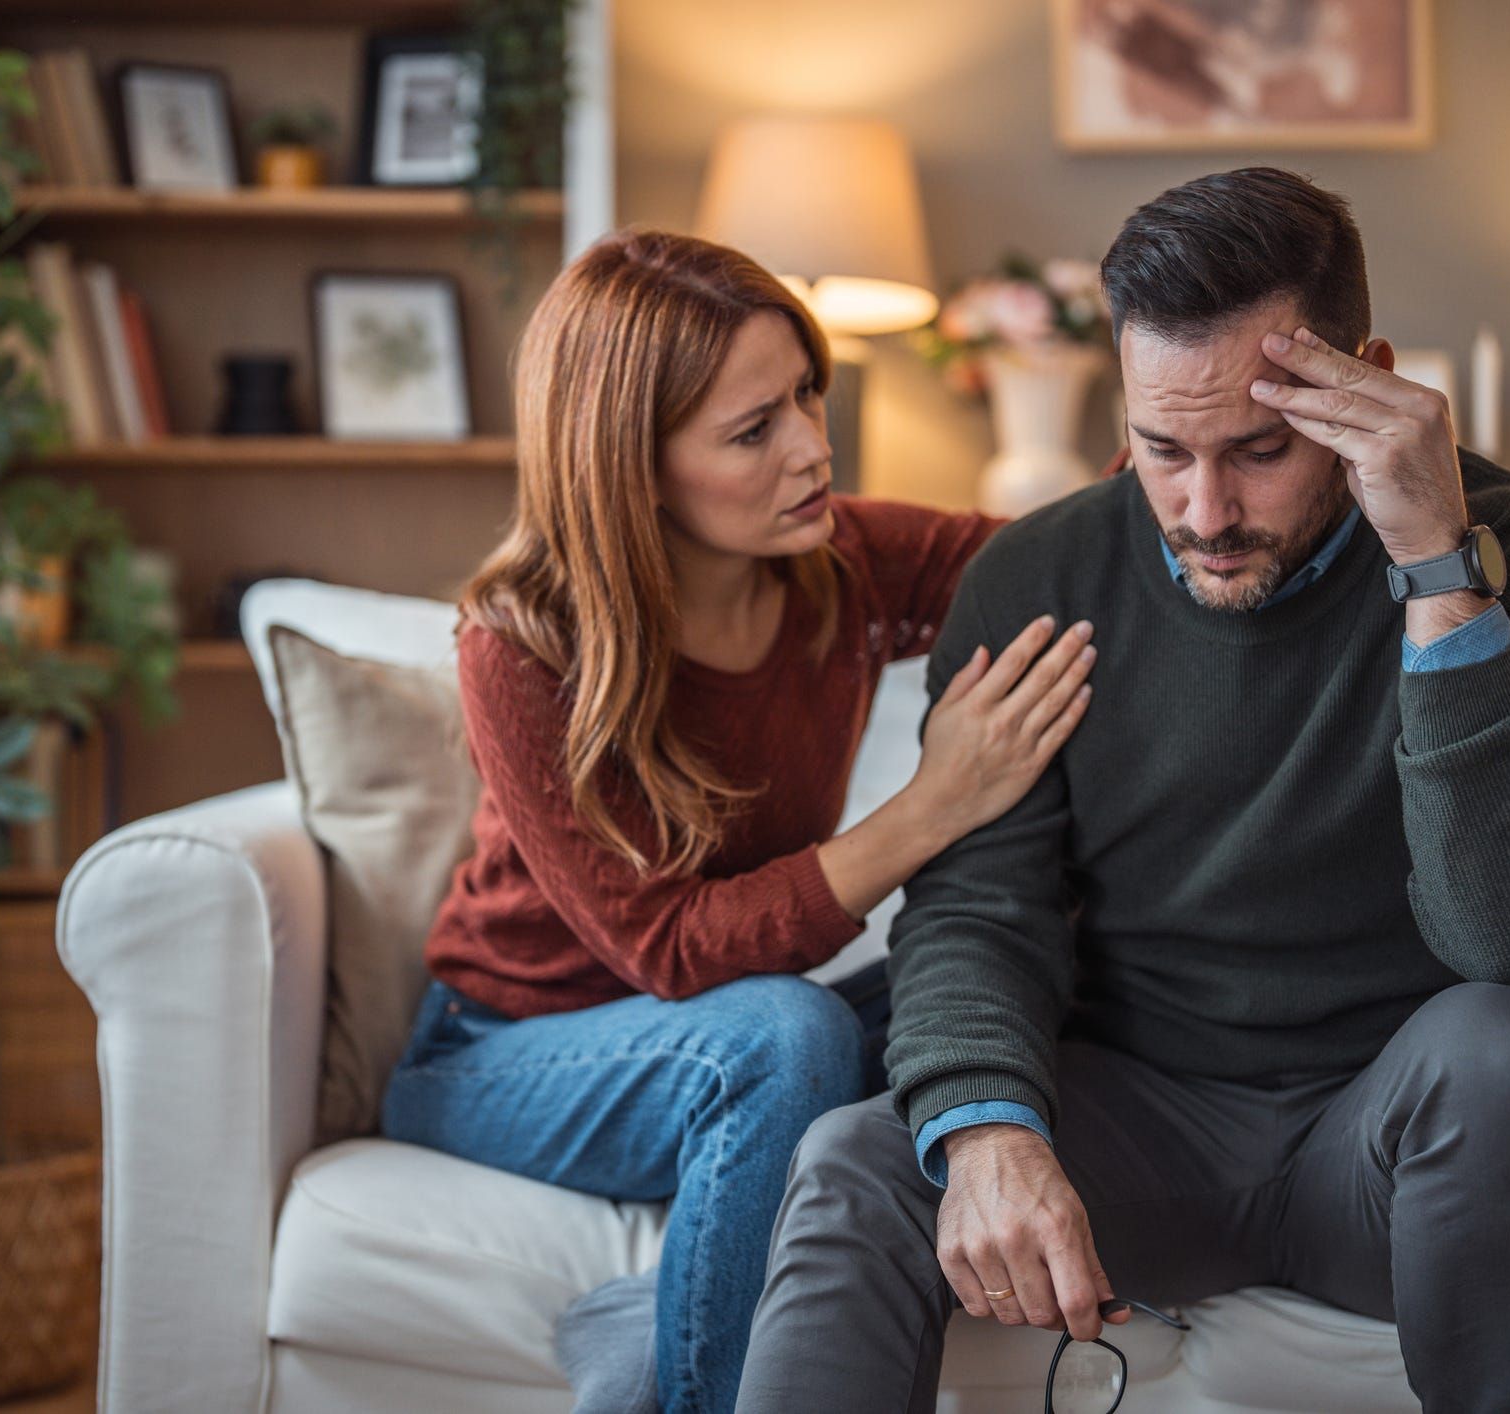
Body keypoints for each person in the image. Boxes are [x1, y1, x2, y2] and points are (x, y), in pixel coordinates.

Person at [735, 167, 1510, 1414]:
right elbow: (978, 910)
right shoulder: (1038, 574)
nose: (1204, 512)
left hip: (1396, 1141)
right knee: (856, 1156)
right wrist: (991, 1132)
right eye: (1164, 449)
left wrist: (1438, 572)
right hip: (1133, 1136)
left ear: (1359, 381)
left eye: (1259, 450)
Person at [377, 228, 1097, 1414]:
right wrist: (934, 805)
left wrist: (1182, 454)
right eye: (753, 429)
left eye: (806, 395)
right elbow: (668, 953)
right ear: (634, 464)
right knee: (783, 1036)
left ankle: (647, 1324)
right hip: (505, 1047)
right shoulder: (519, 643)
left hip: (735, 1031)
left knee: (999, 996)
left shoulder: (841, 558)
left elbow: (1055, 565)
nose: (815, 449)